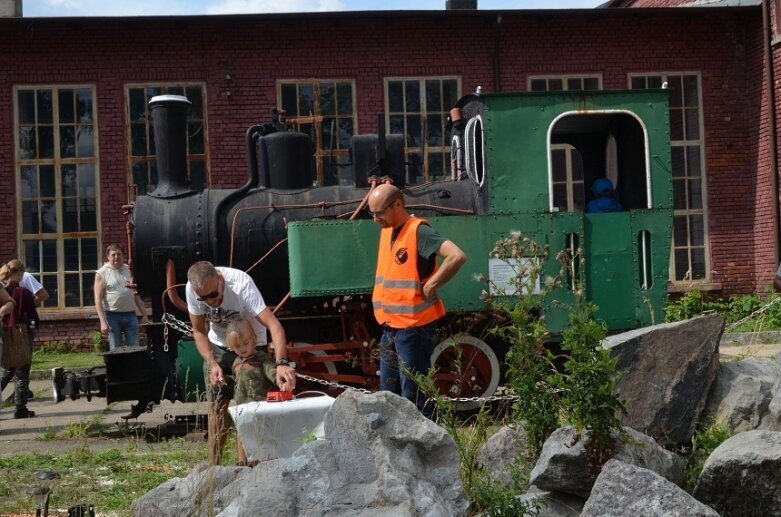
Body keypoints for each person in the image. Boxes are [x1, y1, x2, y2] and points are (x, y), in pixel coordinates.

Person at [368, 183, 467, 416]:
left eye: (379, 212)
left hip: (414, 329)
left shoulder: (418, 231)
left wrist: (433, 283)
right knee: (389, 395)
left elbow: (456, 256)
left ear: (398, 205)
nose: (375, 219)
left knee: (414, 397)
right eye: (371, 213)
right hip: (390, 327)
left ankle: (425, 447)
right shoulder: (386, 233)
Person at [186, 260, 296, 465]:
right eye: (204, 298)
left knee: (246, 406)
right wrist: (212, 363)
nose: (210, 301)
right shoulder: (192, 290)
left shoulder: (241, 284)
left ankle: (245, 465)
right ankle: (214, 467)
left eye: (213, 295)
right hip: (219, 345)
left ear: (220, 279)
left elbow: (274, 325)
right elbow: (199, 331)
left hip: (250, 344)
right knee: (217, 406)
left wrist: (281, 363)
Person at [225, 318, 279, 466]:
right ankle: (242, 462)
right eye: (237, 346)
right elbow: (237, 383)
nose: (242, 348)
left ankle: (263, 461)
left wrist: (280, 380)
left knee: (261, 435)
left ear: (253, 339)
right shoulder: (236, 362)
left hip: (260, 406)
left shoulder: (261, 359)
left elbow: (272, 372)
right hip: (242, 406)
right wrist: (225, 381)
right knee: (241, 434)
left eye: (245, 343)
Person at [94, 244, 149, 350]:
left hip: (130, 315)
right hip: (112, 316)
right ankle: (117, 367)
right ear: (108, 256)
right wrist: (103, 321)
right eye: (113, 254)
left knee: (134, 348)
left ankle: (133, 367)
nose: (116, 257)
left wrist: (145, 315)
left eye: (119, 254)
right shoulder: (101, 273)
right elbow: (98, 299)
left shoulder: (128, 270)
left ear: (123, 256)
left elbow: (136, 294)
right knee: (115, 349)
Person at [0, 263, 37, 418]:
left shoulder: (3, 290)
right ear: (19, 273)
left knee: (8, 368)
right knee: (23, 370)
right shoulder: (22, 292)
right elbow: (32, 313)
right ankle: (20, 407)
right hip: (21, 332)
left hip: (4, 332)